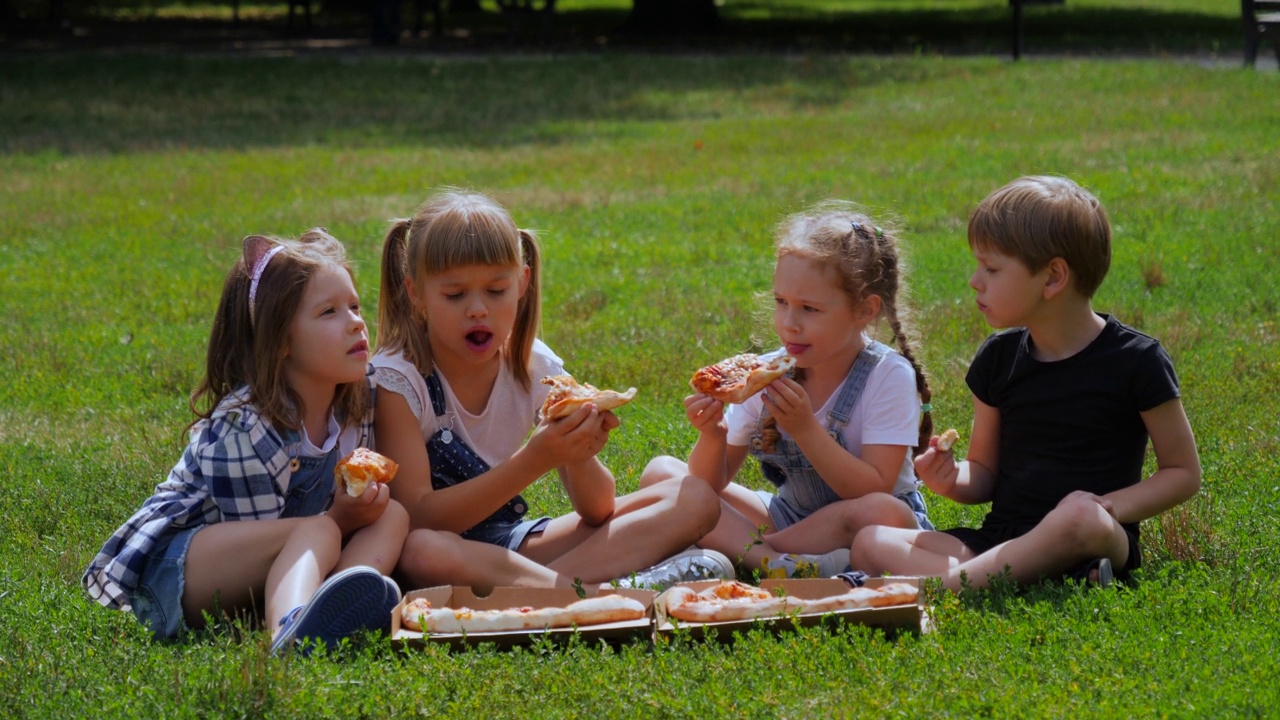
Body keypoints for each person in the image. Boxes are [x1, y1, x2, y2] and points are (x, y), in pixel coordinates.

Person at [850, 176, 1202, 591]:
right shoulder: (999, 359)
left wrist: (1109, 507)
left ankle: (949, 589)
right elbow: (984, 475)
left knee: (1077, 516)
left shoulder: (1137, 360)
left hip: (1091, 533)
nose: (974, 281)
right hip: (1001, 539)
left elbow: (1182, 472)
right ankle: (1026, 577)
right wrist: (950, 478)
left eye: (992, 268)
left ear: (1053, 278)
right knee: (870, 541)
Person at [373, 190, 730, 594]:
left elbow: (597, 509)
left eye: (496, 290)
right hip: (439, 552)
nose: (477, 309)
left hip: (510, 548)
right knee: (423, 552)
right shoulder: (398, 380)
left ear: (522, 282)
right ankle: (596, 595)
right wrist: (537, 458)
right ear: (415, 293)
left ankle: (553, 590)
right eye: (455, 295)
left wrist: (576, 452)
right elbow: (419, 516)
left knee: (695, 499)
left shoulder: (535, 367)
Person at [83, 230, 409, 655]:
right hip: (185, 572)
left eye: (354, 306)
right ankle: (289, 630)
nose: (355, 321)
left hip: (295, 551)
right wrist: (341, 520)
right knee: (320, 527)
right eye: (329, 312)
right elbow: (262, 537)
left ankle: (334, 611)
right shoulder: (246, 426)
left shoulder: (359, 399)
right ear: (281, 341)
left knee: (392, 513)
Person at [641, 201, 935, 581]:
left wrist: (804, 430)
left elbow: (872, 486)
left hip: (860, 522)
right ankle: (781, 563)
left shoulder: (887, 375)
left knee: (883, 510)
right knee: (662, 474)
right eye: (781, 303)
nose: (789, 324)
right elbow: (709, 485)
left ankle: (755, 553)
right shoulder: (765, 373)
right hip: (789, 517)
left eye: (809, 309)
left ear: (864, 310)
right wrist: (712, 436)